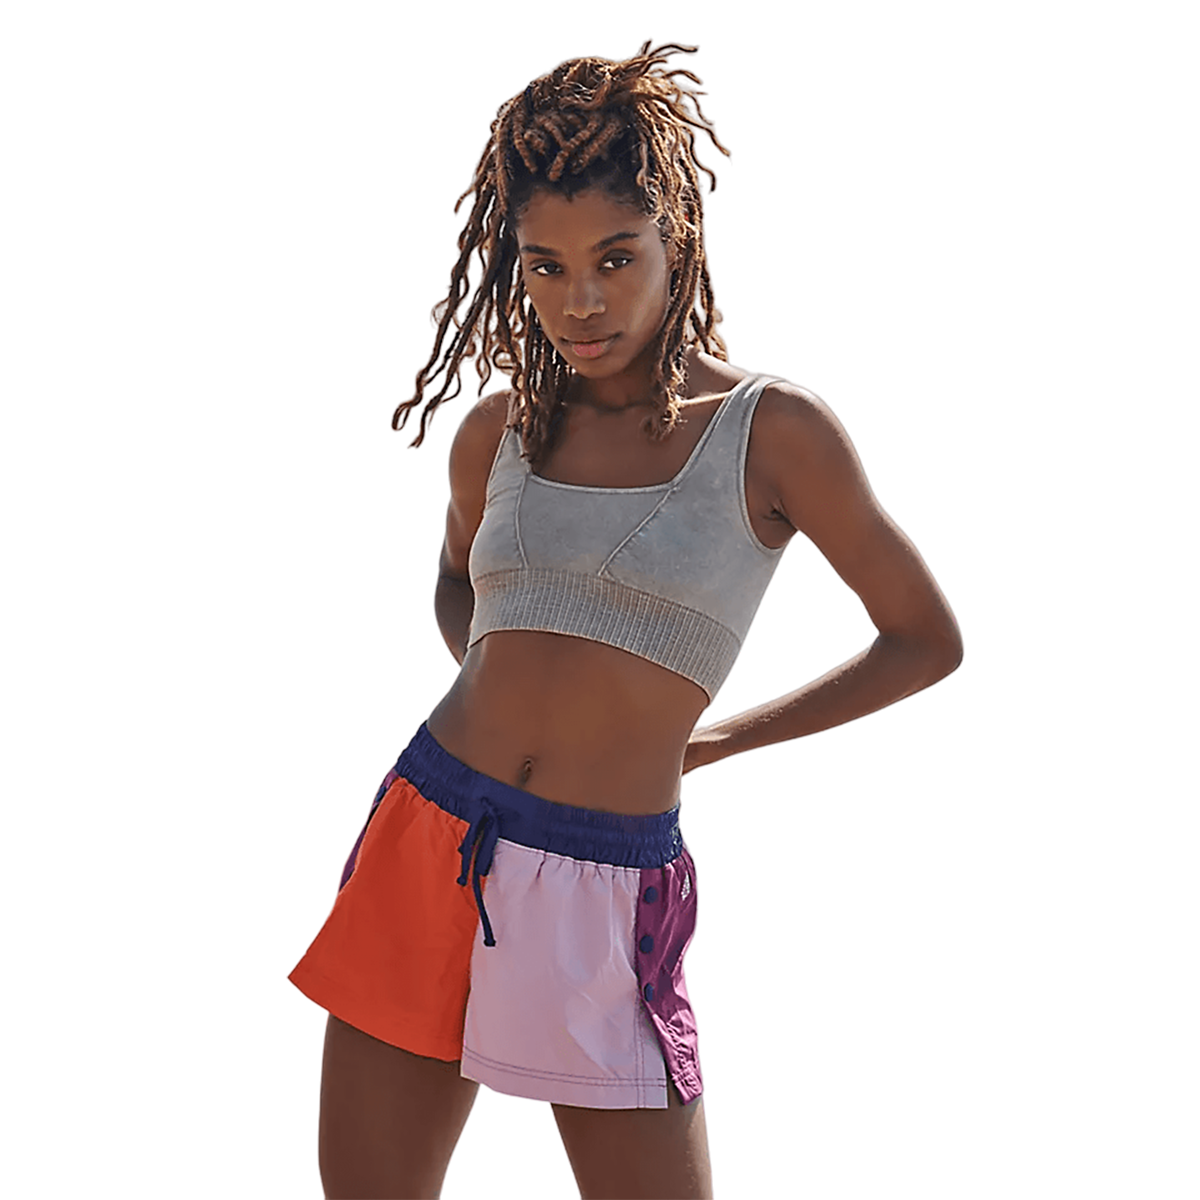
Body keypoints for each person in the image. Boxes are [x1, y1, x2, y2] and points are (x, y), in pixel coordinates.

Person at [289, 38, 963, 1199]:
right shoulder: (503, 431)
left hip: (605, 873)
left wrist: (725, 738)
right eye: (545, 266)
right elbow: (458, 578)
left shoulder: (772, 431)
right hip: (432, 829)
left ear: (676, 237)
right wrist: (495, 659)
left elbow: (922, 637)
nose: (581, 301)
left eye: (614, 257)